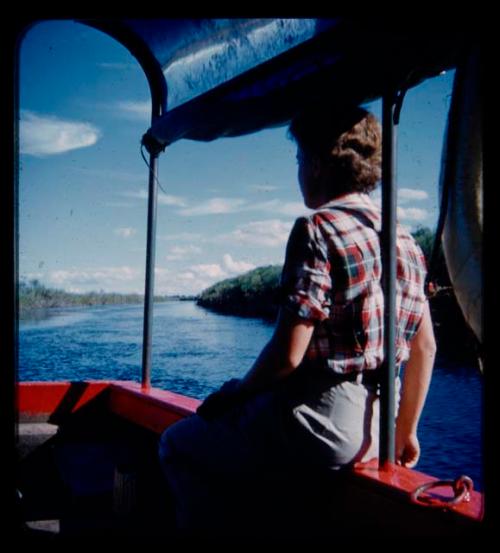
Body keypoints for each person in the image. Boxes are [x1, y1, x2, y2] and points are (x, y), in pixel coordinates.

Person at [158, 104, 436, 532]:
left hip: (320, 425)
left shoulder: (317, 229)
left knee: (177, 444)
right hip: (376, 431)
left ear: (319, 164)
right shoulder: (406, 242)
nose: (299, 171)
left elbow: (288, 355)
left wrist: (235, 393)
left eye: (299, 160)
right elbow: (425, 347)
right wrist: (406, 430)